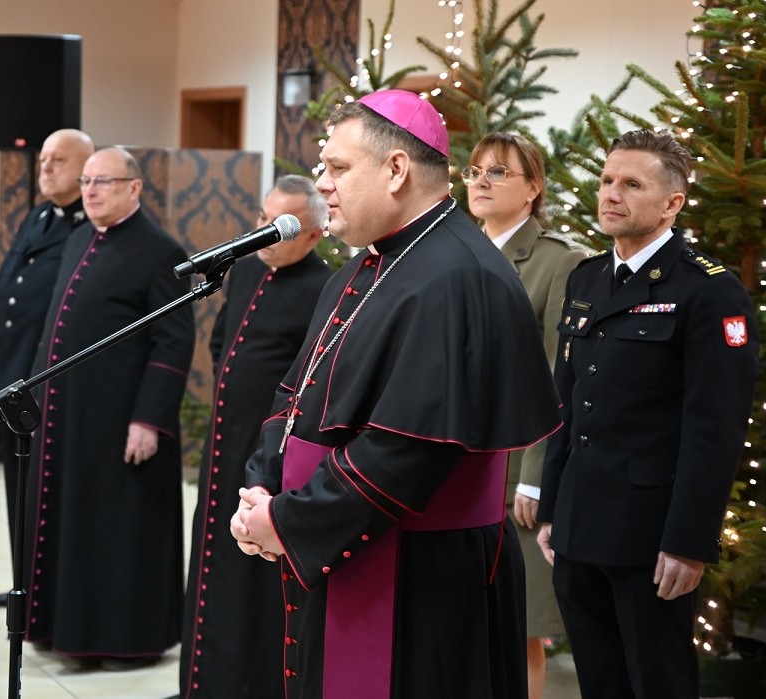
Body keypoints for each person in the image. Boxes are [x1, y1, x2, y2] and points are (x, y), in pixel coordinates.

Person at [229, 89, 561, 699]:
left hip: (420, 575)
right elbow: (294, 390)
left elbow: (406, 451)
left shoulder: (460, 277)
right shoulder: (364, 268)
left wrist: (288, 519)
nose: (322, 183)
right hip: (345, 540)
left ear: (397, 169)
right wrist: (262, 486)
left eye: (338, 167)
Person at [536, 129, 759, 699]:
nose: (611, 194)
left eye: (632, 184)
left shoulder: (708, 291)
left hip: (650, 536)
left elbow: (715, 429)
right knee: (599, 681)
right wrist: (553, 508)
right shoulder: (587, 277)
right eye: (607, 180)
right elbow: (566, 401)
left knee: (658, 682)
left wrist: (689, 541)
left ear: (672, 203)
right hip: (578, 525)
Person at [21, 146, 196, 668]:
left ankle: (124, 641)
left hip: (120, 420)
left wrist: (148, 419)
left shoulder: (160, 251)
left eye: (104, 181)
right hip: (69, 417)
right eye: (86, 182)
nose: (90, 191)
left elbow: (173, 343)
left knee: (115, 531)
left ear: (134, 188)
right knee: (71, 523)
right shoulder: (79, 239)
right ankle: (64, 630)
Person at [175, 176, 333, 699]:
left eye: (281, 226)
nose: (265, 233)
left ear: (313, 235)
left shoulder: (324, 287)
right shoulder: (244, 270)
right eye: (264, 219)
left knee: (251, 582)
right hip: (224, 443)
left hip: (273, 459)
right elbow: (222, 343)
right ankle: (203, 683)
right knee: (211, 564)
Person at [464, 132, 587, 699]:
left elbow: (559, 379)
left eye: (498, 172)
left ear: (533, 188)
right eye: (474, 172)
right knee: (459, 612)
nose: (481, 182)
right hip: (454, 458)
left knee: (519, 624)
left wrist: (537, 475)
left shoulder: (559, 260)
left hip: (516, 467)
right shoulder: (457, 250)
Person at [0, 128, 94, 608]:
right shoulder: (39, 216)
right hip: (13, 374)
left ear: (86, 169)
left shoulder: (88, 228)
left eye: (58, 160)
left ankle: (45, 593)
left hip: (47, 379)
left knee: (45, 490)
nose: (45, 167)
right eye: (43, 159)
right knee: (17, 485)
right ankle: (22, 583)